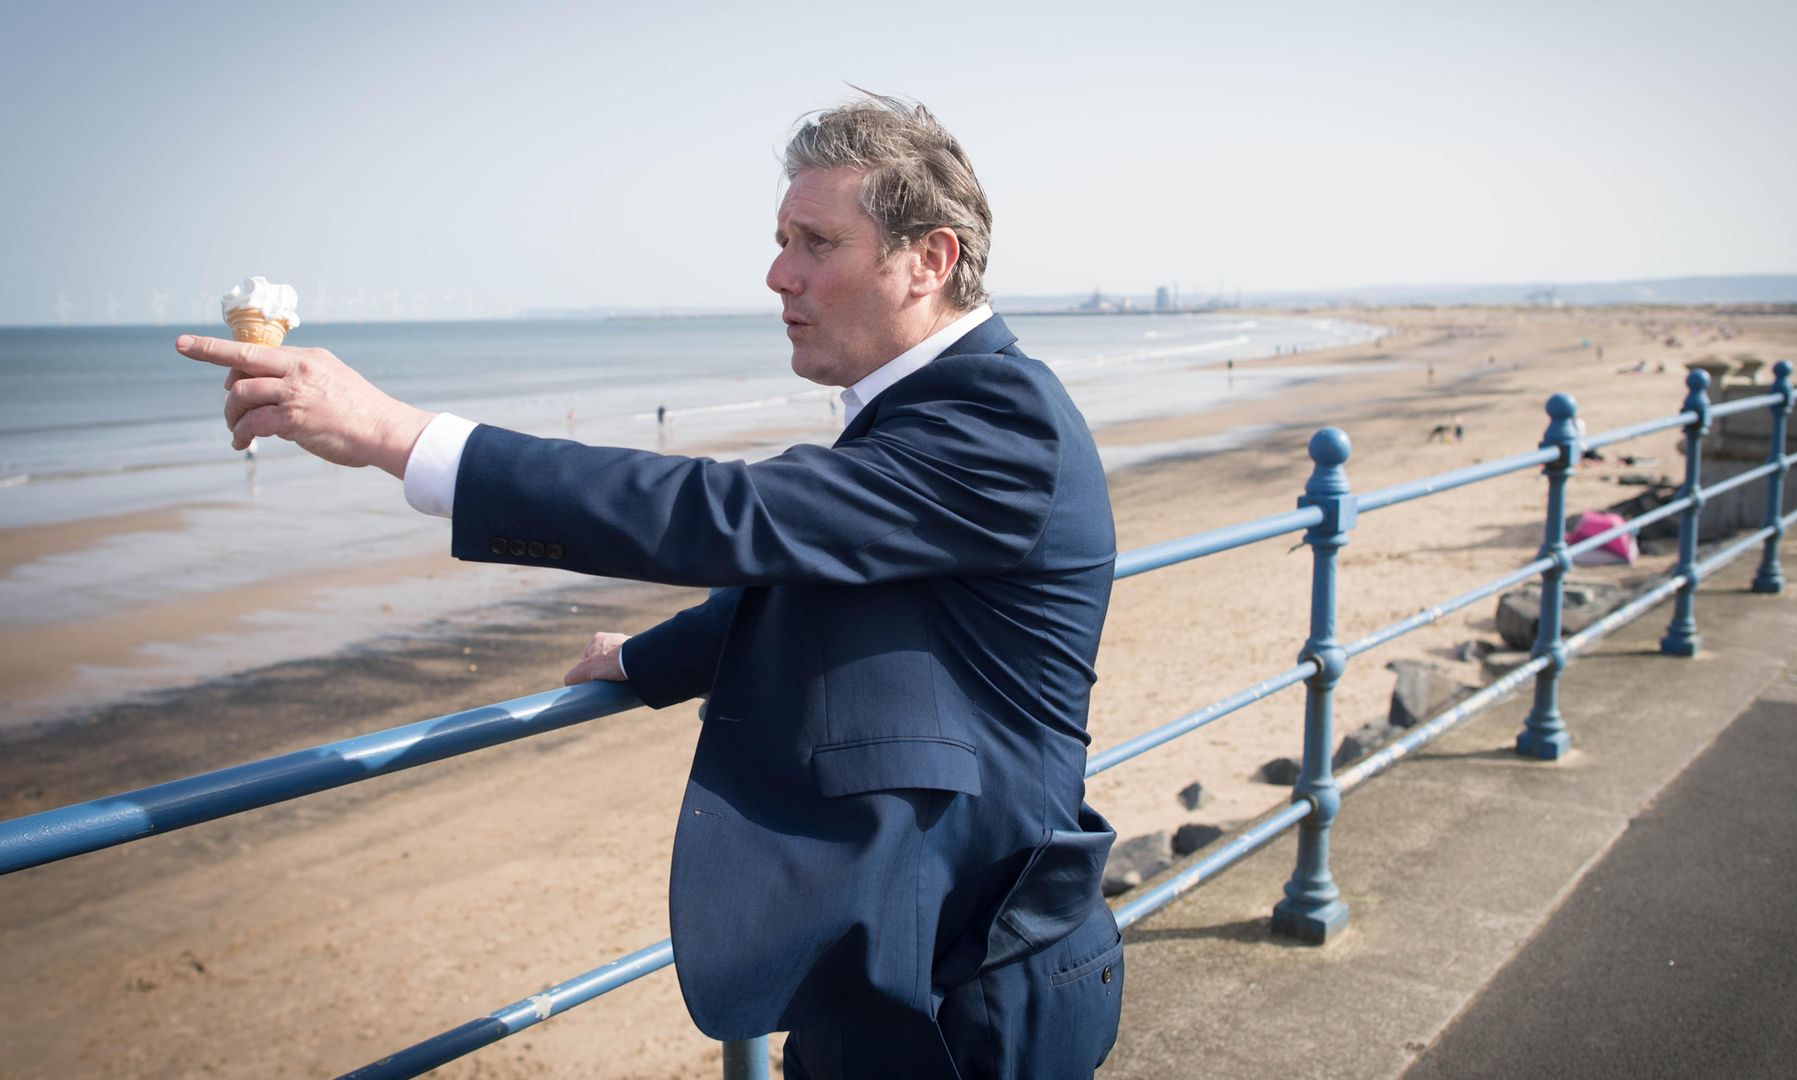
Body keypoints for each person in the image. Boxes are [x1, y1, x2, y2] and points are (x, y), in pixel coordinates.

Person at [176, 96, 1121, 1080]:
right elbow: (817, 573)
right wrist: (638, 660)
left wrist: (398, 436)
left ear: (928, 260)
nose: (777, 272)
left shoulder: (1002, 427)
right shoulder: (932, 410)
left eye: (816, 242)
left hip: (974, 991)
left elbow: (736, 515)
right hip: (897, 961)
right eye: (779, 238)